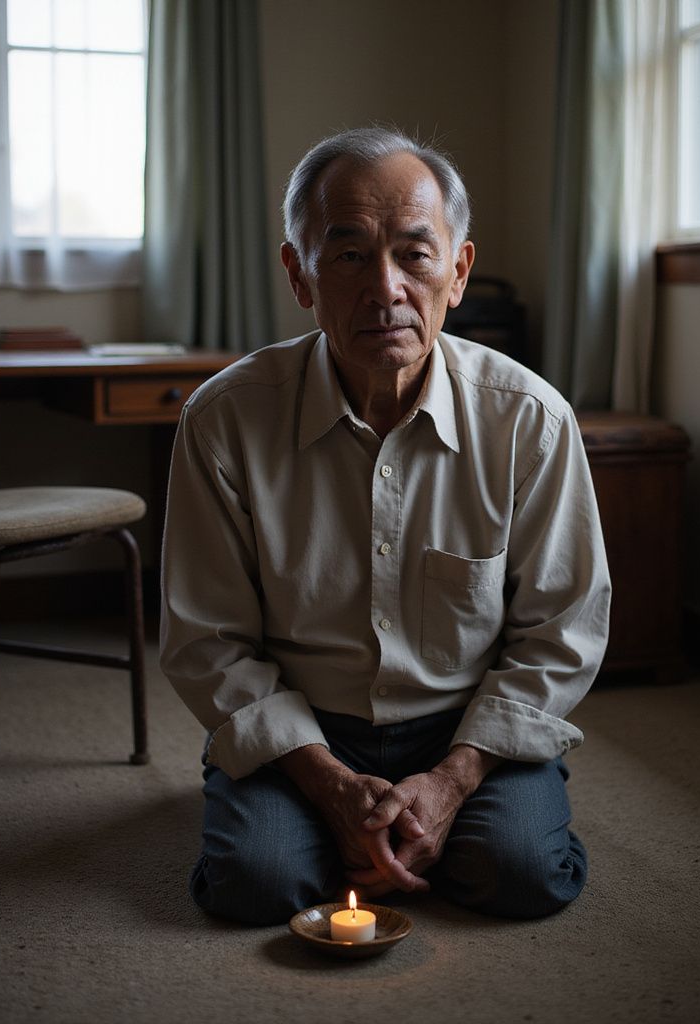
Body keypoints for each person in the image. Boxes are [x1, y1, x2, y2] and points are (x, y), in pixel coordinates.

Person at [159, 126, 611, 926]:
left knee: (522, 875)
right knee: (254, 886)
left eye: (414, 254)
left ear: (458, 271)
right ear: (298, 274)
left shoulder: (530, 420)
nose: (386, 289)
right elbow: (207, 638)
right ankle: (331, 820)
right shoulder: (225, 419)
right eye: (348, 255)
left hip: (466, 728)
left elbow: (561, 631)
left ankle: (404, 826)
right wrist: (327, 781)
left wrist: (453, 778)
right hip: (304, 722)